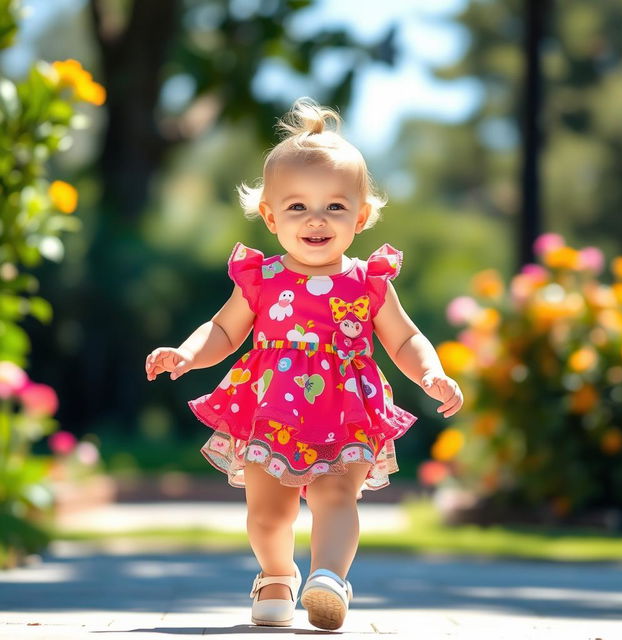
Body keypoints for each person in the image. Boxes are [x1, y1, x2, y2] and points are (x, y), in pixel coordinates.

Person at [145, 97, 463, 631]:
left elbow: (405, 339)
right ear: (270, 216)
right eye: (297, 207)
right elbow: (224, 331)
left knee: (337, 493)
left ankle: (329, 580)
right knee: (269, 512)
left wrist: (429, 371)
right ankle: (277, 574)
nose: (316, 220)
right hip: (270, 404)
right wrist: (188, 353)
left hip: (345, 407)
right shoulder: (262, 278)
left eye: (335, 207)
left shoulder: (368, 281)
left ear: (360, 216)